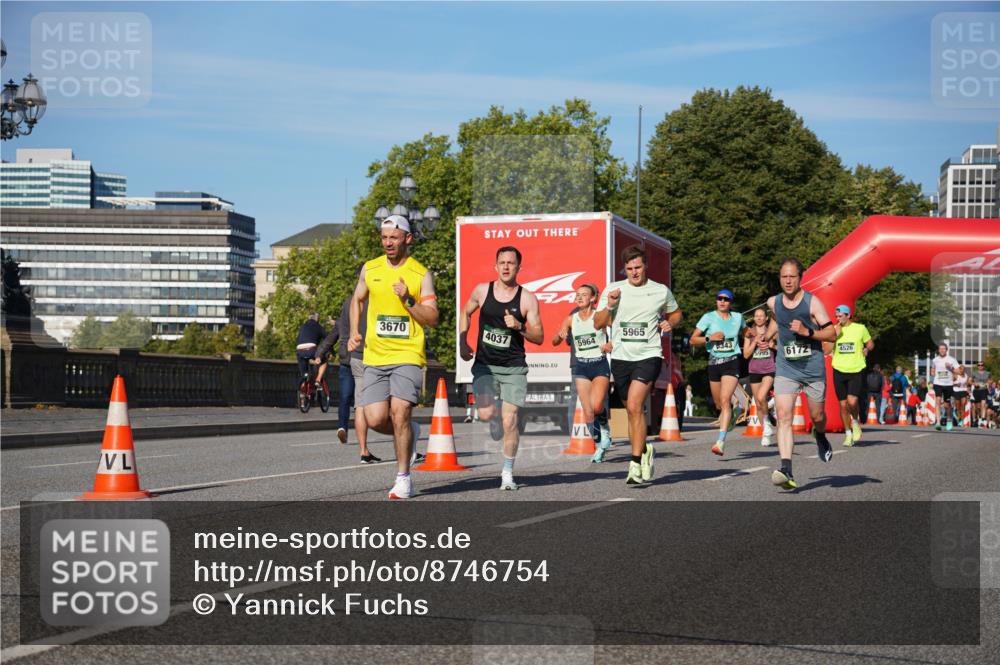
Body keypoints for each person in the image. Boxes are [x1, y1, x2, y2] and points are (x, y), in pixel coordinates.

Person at [348, 215, 438, 499]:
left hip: (407, 354)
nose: (388, 242)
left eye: (394, 238)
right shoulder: (370, 268)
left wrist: (408, 300)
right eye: (384, 237)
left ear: (407, 239)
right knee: (375, 419)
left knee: (399, 412)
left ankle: (403, 478)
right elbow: (357, 299)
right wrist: (353, 331)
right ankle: (411, 432)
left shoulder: (420, 274)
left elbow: (433, 318)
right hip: (375, 355)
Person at [594, 245, 682, 486]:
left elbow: (676, 314)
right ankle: (645, 450)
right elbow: (598, 323)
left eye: (638, 267)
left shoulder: (660, 291)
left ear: (645, 266)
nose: (634, 272)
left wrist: (670, 323)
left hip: (649, 354)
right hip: (622, 358)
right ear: (625, 269)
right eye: (630, 268)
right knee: (633, 412)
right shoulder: (614, 289)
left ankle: (634, 464)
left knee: (634, 405)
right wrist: (610, 306)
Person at [459, 246, 544, 491]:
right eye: (502, 262)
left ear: (519, 267)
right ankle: (493, 417)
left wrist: (519, 326)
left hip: (513, 368)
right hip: (485, 365)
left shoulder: (527, 298)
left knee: (511, 421)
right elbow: (465, 312)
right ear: (495, 266)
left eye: (511, 263)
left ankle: (507, 473)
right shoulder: (482, 291)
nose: (506, 266)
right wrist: (463, 341)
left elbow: (539, 336)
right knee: (486, 414)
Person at [763, 257, 837, 491]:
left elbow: (832, 333)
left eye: (792, 276)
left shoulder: (812, 303)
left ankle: (821, 435)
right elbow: (779, 321)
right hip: (787, 368)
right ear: (779, 277)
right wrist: (767, 335)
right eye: (784, 276)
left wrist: (808, 332)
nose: (787, 280)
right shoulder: (773, 302)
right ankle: (786, 468)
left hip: (813, 368)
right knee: (784, 416)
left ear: (800, 278)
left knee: (817, 417)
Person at [315, 289, 378, 463]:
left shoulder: (347, 304)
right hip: (363, 355)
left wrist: (319, 353)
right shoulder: (370, 301)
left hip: (345, 357)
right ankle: (367, 445)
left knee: (345, 397)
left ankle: (342, 426)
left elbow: (332, 336)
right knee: (361, 403)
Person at [552, 284, 613, 462]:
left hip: (599, 364)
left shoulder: (599, 316)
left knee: (596, 406)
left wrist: (611, 344)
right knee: (587, 413)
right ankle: (601, 443)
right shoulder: (571, 319)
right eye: (577, 295)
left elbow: (618, 328)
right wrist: (560, 335)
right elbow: (555, 340)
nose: (579, 298)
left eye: (584, 295)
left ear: (593, 298)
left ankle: (604, 428)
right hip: (581, 366)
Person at [690, 289, 745, 456]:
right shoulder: (708, 317)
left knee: (725, 399)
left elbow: (745, 331)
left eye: (726, 299)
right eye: (719, 298)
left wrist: (752, 334)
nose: (722, 301)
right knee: (719, 405)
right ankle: (734, 414)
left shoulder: (738, 318)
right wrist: (709, 338)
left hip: (732, 362)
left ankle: (720, 442)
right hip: (714, 363)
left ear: (731, 303)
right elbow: (693, 339)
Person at [823, 304, 873, 447]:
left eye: (840, 316)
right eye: (836, 316)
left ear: (848, 315)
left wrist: (866, 348)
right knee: (843, 404)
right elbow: (826, 351)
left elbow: (870, 343)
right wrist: (834, 337)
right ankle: (848, 434)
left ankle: (855, 422)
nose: (838, 319)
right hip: (838, 369)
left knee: (852, 402)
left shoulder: (860, 328)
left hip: (856, 369)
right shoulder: (832, 330)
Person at [743, 306, 777, 446]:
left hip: (769, 369)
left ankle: (769, 413)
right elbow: (745, 355)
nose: (759, 318)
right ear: (753, 318)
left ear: (766, 317)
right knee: (757, 403)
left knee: (761, 396)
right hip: (754, 370)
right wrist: (755, 343)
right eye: (756, 316)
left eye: (761, 316)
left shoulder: (772, 331)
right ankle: (766, 430)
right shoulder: (749, 333)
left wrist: (771, 346)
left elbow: (780, 348)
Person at [931, 343, 959, 432]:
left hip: (948, 384)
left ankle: (949, 421)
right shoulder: (935, 360)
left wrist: (950, 368)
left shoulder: (951, 359)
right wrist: (932, 372)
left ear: (946, 350)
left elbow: (958, 371)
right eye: (940, 349)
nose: (942, 350)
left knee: (947, 405)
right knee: (938, 401)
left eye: (944, 349)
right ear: (938, 350)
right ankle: (938, 422)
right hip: (938, 383)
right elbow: (933, 370)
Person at [295, 312, 325, 386]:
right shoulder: (318, 326)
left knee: (304, 374)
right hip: (312, 349)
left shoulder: (302, 326)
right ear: (317, 319)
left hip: (300, 350)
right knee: (324, 360)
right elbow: (328, 339)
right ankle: (318, 379)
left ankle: (302, 388)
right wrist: (331, 351)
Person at [971, 361, 991, 427]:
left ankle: (983, 419)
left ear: (984, 366)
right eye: (979, 365)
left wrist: (988, 383)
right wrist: (974, 383)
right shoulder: (974, 373)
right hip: (976, 391)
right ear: (977, 366)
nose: (980, 366)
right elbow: (969, 381)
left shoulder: (988, 373)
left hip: (984, 390)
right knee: (977, 407)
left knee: (983, 404)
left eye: (981, 365)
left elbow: (990, 380)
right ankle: (977, 418)